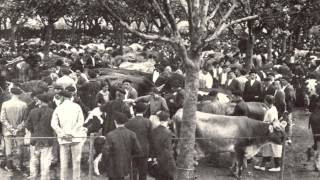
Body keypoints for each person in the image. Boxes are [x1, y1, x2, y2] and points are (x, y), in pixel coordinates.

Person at [51, 90, 87, 180]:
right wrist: (72, 133)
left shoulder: (59, 108)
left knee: (64, 162)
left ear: (63, 97)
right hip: (76, 137)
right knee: (76, 161)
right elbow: (81, 121)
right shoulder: (77, 106)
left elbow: (53, 124)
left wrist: (62, 133)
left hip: (63, 139)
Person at [103, 112, 142, 180]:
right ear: (125, 122)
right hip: (127, 165)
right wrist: (130, 155)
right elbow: (138, 150)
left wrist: (106, 164)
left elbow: (105, 152)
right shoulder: (132, 134)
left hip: (113, 166)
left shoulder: (110, 135)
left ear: (115, 122)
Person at [26, 94, 54, 180]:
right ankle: (44, 177)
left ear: (41, 101)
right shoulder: (52, 111)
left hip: (35, 139)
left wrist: (34, 132)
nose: (36, 102)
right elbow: (54, 125)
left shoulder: (32, 111)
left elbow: (28, 125)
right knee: (45, 159)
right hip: (47, 139)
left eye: (37, 100)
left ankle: (33, 175)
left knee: (34, 158)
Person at [0, 87, 27, 172]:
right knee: (20, 148)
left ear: (11, 93)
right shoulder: (24, 104)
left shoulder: (5, 104)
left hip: (8, 131)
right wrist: (18, 128)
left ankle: (9, 166)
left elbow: (2, 119)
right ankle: (20, 165)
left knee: (8, 148)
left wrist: (11, 128)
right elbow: (25, 119)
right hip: (20, 131)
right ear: (19, 94)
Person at [254, 95, 283, 172]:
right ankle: (262, 165)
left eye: (265, 101)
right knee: (266, 147)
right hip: (268, 131)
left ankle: (277, 166)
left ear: (267, 101)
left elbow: (272, 122)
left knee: (274, 148)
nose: (264, 102)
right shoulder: (272, 108)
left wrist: (263, 124)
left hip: (272, 131)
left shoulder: (271, 111)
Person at [125, 102, 152, 180]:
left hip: (133, 149)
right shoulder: (148, 122)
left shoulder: (129, 122)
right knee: (143, 171)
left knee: (133, 170)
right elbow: (150, 137)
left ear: (135, 110)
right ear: (144, 111)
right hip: (144, 149)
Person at [150, 111, 176, 180]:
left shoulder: (154, 131)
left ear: (159, 119)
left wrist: (154, 158)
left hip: (157, 159)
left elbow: (152, 146)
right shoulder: (168, 132)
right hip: (166, 160)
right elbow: (168, 148)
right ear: (167, 119)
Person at [309, 104, 320, 171]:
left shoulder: (313, 113)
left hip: (314, 124)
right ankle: (317, 164)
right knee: (317, 146)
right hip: (317, 126)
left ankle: (317, 164)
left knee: (316, 144)